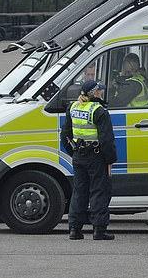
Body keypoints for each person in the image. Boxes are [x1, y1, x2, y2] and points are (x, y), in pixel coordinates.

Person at [61, 80, 117, 240]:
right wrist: (110, 160)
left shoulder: (73, 107)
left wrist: (74, 152)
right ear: (96, 93)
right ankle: (99, 230)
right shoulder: (99, 111)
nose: (102, 92)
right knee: (99, 191)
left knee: (79, 192)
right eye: (100, 90)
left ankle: (74, 229)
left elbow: (65, 134)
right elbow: (107, 140)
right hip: (96, 156)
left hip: (79, 155)